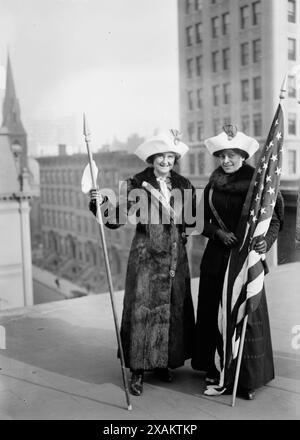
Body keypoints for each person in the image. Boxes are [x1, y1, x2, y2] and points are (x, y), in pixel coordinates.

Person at [89, 130, 196, 396]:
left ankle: (164, 363)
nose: (166, 161)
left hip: (174, 258)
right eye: (161, 156)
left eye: (171, 156)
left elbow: (193, 222)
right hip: (146, 258)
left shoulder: (184, 184)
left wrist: (182, 232)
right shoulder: (136, 184)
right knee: (142, 312)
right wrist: (99, 204)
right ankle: (137, 370)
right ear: (152, 157)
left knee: (171, 311)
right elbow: (116, 219)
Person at [191, 125, 284, 400]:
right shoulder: (212, 185)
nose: (226, 161)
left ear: (244, 156)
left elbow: (275, 219)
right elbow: (199, 221)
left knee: (244, 314)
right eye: (222, 156)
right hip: (217, 259)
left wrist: (266, 242)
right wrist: (217, 232)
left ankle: (246, 378)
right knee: (213, 313)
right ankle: (214, 367)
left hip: (245, 261)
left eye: (232, 155)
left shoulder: (260, 184)